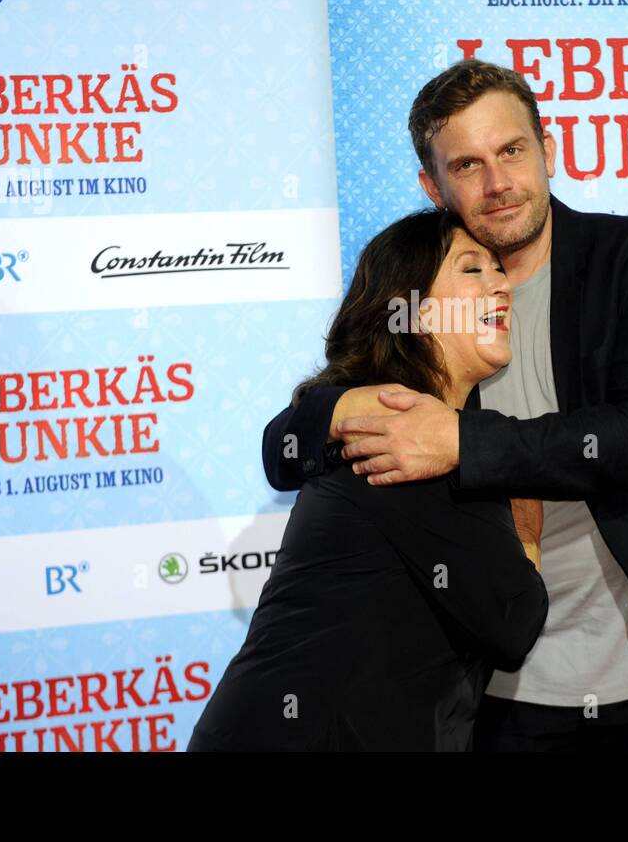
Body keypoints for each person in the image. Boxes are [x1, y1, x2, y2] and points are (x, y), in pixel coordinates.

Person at [262, 59, 628, 751]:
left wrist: (461, 442)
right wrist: (345, 404)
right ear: (432, 186)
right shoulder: (432, 291)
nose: (498, 182)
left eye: (512, 151)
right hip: (502, 692)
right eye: (468, 165)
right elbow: (285, 450)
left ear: (548, 150)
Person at [188, 208, 548, 751]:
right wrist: (528, 523)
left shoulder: (391, 423)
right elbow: (514, 621)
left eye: (500, 270)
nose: (501, 285)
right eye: (472, 270)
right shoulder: (410, 438)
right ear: (412, 310)